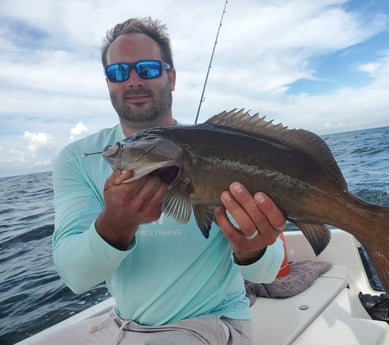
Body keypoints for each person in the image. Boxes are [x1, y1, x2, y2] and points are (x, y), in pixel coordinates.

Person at [40, 17, 285, 345]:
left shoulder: (222, 148)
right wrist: (114, 226)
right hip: (125, 326)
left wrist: (250, 247)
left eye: (148, 68)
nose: (133, 80)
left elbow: (266, 273)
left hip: (214, 322)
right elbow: (76, 276)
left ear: (171, 77)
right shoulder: (77, 159)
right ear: (108, 83)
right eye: (118, 72)